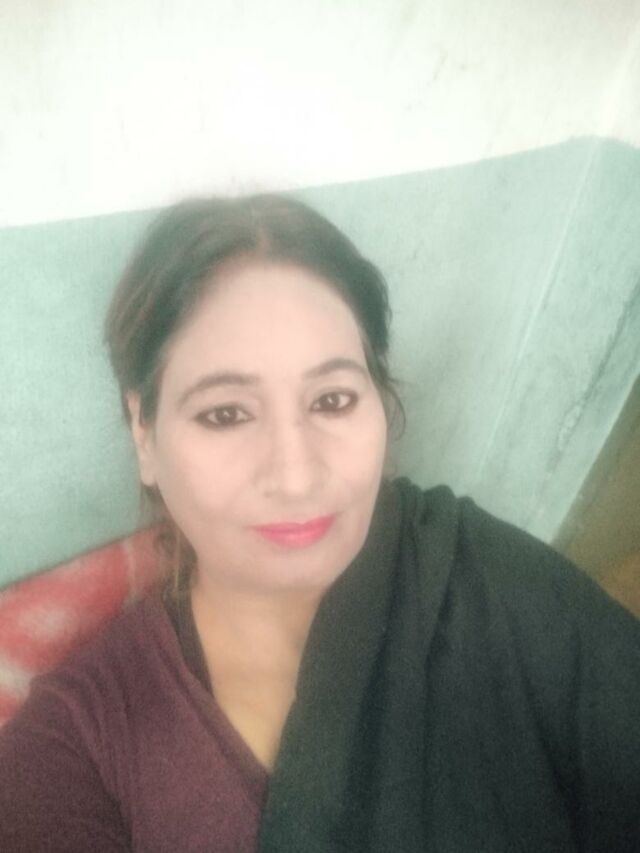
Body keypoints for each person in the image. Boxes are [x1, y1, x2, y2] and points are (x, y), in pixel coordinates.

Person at [0, 194, 639, 853]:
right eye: (226, 413)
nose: (298, 476)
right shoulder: (78, 748)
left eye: (332, 400)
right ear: (144, 433)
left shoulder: (472, 574)